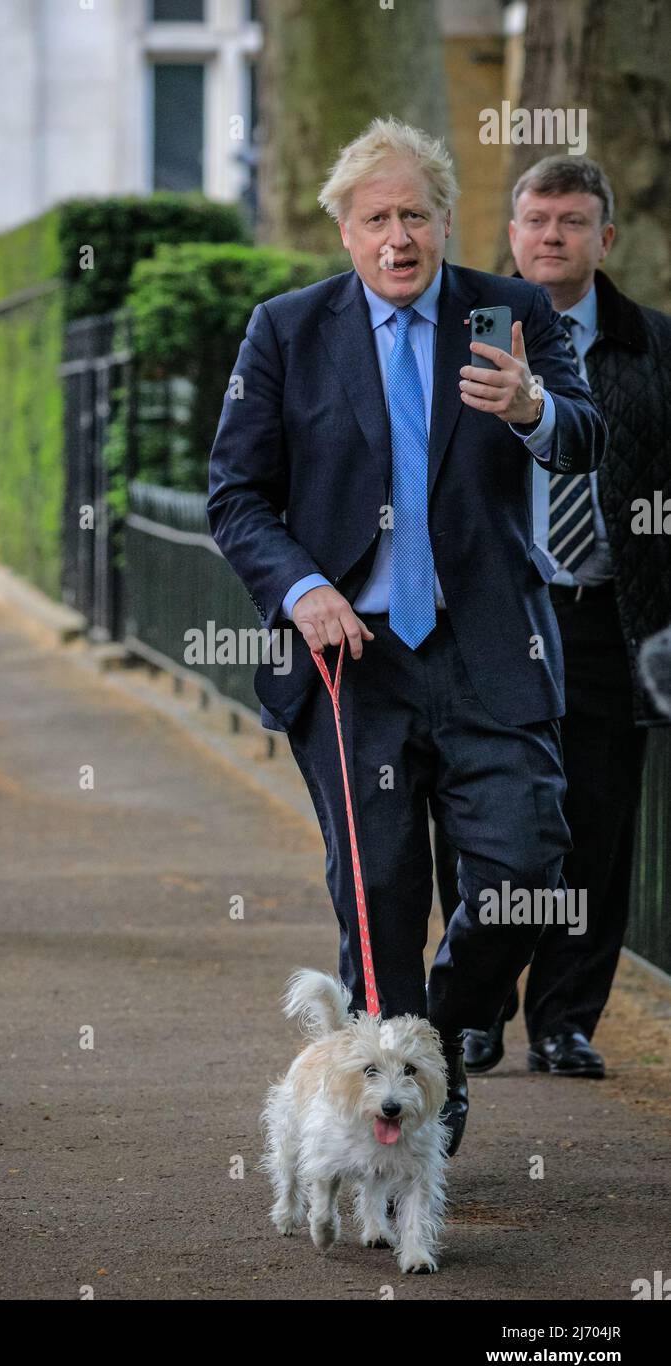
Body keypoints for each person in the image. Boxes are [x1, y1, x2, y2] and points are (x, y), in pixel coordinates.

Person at [208, 118, 606, 1157]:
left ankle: (442, 1030)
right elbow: (235, 494)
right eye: (375, 217)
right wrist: (300, 589)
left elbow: (585, 430)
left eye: (415, 215)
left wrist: (529, 408)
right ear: (343, 230)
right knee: (379, 902)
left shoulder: (509, 311)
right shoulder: (285, 331)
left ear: (444, 224)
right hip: (351, 663)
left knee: (528, 869)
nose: (397, 236)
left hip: (491, 654)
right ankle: (402, 1104)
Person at [435, 156, 671, 1079]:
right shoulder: (470, 335)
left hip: (608, 615)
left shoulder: (651, 346)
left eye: (571, 222)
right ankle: (480, 1011)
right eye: (535, 220)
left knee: (599, 828)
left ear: (605, 239)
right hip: (494, 614)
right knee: (492, 823)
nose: (550, 237)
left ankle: (567, 1019)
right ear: (512, 233)